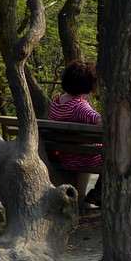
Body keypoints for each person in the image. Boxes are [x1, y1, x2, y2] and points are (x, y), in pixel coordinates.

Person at [47, 61, 103, 207]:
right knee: (115, 156)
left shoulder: (57, 102)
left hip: (64, 155)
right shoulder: (80, 106)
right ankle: (98, 193)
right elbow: (101, 122)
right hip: (83, 157)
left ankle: (84, 198)